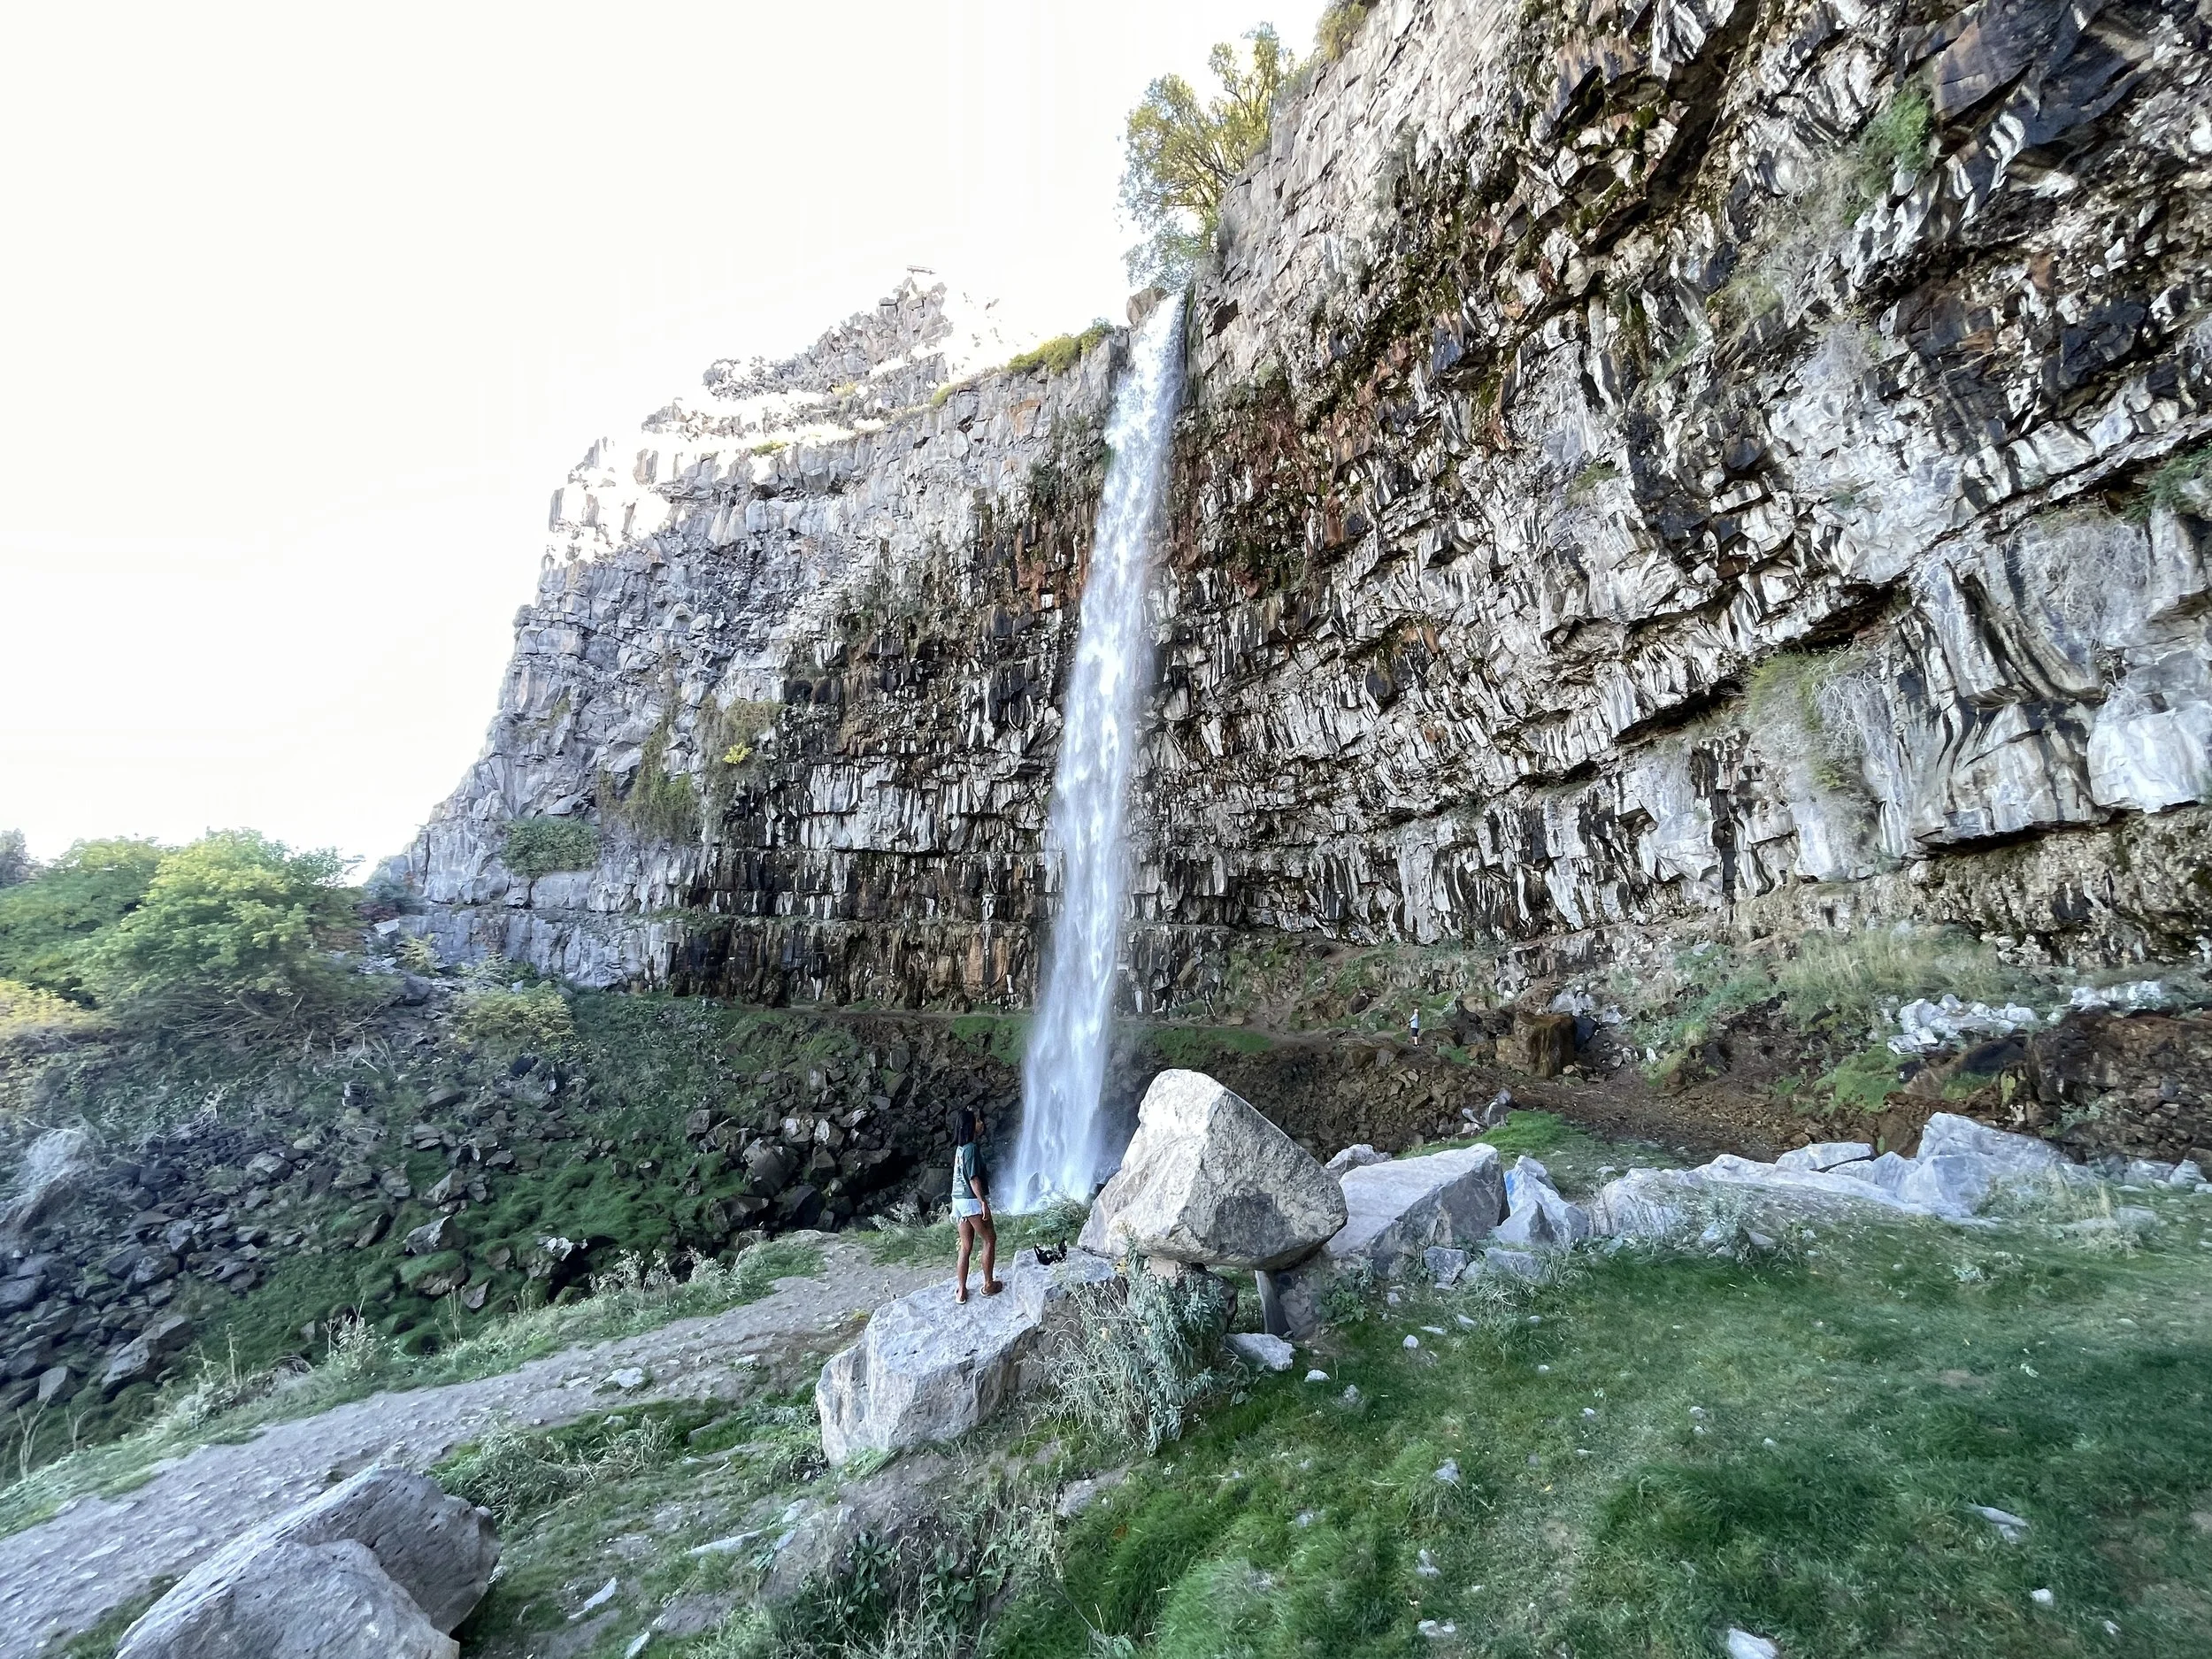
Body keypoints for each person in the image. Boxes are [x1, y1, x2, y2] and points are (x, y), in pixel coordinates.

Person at [950, 1106, 1002, 1302]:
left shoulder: (960, 1149)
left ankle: (961, 1290)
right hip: (971, 1200)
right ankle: (988, 1285)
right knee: (989, 1239)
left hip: (958, 1200)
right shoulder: (971, 1148)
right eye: (978, 1121)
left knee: (965, 1246)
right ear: (971, 1126)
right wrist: (983, 1202)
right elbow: (973, 1178)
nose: (982, 1123)